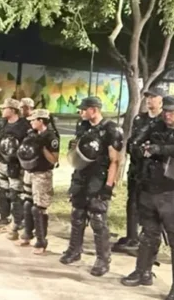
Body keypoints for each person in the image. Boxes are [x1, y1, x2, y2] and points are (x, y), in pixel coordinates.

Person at [121, 95, 174, 300]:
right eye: (165, 111)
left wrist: (162, 149)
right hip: (150, 191)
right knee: (148, 236)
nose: (167, 115)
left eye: (172, 111)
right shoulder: (155, 126)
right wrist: (140, 148)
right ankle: (143, 272)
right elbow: (134, 144)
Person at [62, 96, 123, 277]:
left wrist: (108, 186)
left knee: (97, 219)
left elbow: (115, 160)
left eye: (84, 109)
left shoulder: (111, 129)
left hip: (99, 176)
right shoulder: (83, 126)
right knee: (77, 215)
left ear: (94, 109)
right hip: (81, 174)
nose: (81, 112)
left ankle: (103, 259)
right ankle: (74, 250)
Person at [113, 87, 165, 254]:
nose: (149, 100)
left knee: (149, 205)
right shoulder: (140, 118)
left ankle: (146, 240)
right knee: (133, 201)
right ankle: (132, 236)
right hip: (137, 167)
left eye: (153, 97)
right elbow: (133, 141)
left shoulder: (164, 120)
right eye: (148, 97)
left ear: (161, 100)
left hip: (153, 170)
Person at [16, 109, 59, 253]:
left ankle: (41, 241)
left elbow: (54, 160)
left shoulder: (51, 137)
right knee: (27, 203)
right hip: (30, 172)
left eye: (33, 120)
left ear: (41, 121)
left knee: (38, 208)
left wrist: (43, 148)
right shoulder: (32, 134)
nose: (31, 123)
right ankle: (27, 235)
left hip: (42, 174)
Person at [0, 98, 32, 237]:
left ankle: (18, 220)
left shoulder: (24, 125)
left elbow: (28, 145)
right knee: (3, 191)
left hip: (15, 164)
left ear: (13, 110)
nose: (2, 110)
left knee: (16, 193)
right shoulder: (4, 123)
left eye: (4, 108)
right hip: (3, 163)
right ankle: (4, 217)